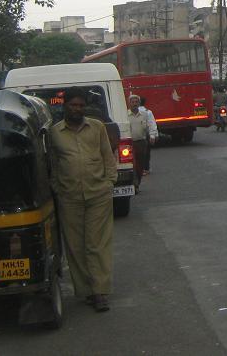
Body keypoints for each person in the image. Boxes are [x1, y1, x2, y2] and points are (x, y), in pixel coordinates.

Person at [48, 87, 117, 312]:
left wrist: (109, 182)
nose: (77, 109)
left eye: (80, 106)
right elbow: (53, 165)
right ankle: (86, 290)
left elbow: (108, 156)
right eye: (73, 105)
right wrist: (58, 189)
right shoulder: (55, 133)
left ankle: (100, 292)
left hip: (98, 194)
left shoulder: (96, 128)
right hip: (70, 197)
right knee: (76, 247)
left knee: (97, 244)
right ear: (65, 106)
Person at [128, 95, 150, 188]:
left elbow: (149, 126)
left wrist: (152, 135)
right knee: (132, 164)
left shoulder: (144, 114)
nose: (134, 104)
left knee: (140, 165)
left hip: (141, 142)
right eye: (133, 102)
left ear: (139, 103)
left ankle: (138, 182)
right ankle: (134, 182)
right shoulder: (125, 115)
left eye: (136, 102)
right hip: (130, 144)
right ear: (129, 104)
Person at [138, 96, 158, 172]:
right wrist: (154, 135)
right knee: (146, 153)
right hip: (145, 135)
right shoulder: (148, 112)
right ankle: (146, 168)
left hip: (136, 135)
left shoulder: (130, 112)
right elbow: (152, 124)